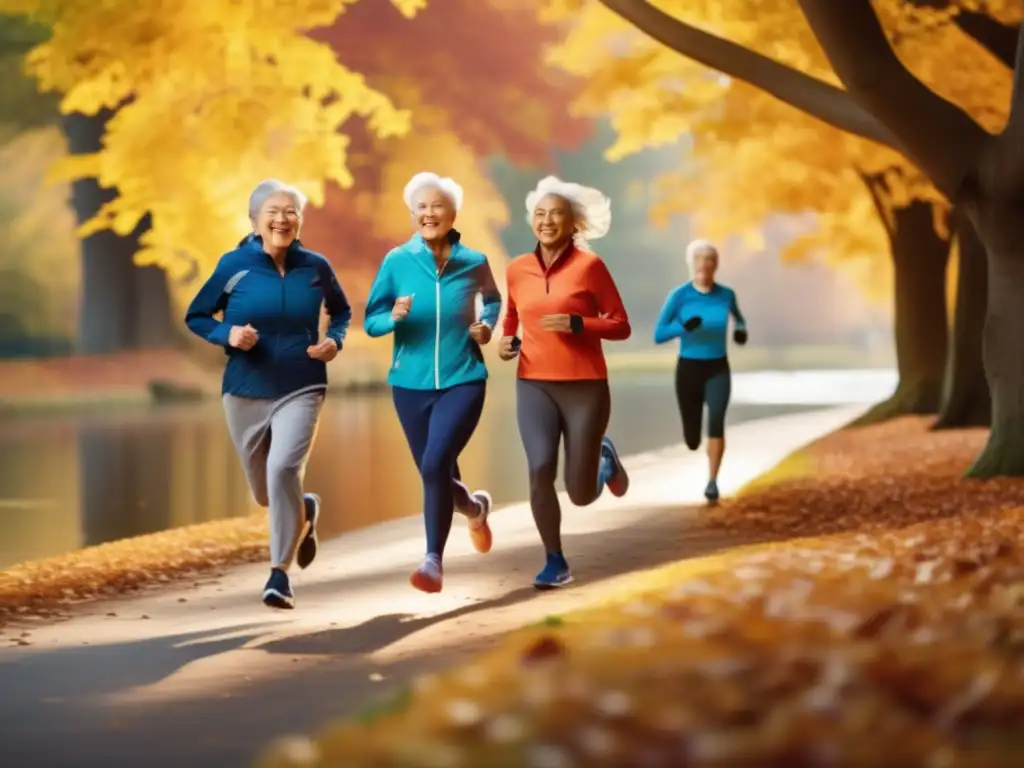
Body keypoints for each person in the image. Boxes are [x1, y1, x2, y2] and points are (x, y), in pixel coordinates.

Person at [185, 179, 351, 610]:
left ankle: (279, 574)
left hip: (302, 382)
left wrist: (334, 340)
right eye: (273, 212)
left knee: (282, 472)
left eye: (290, 211)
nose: (282, 219)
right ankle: (304, 507)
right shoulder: (233, 265)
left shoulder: (316, 266)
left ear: (300, 219)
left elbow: (342, 310)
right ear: (255, 221)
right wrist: (229, 333)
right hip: (245, 388)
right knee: (265, 493)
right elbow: (197, 314)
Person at [364, 171, 502, 594]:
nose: (428, 214)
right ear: (412, 214)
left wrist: (486, 326)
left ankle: (432, 562)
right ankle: (474, 509)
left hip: (464, 378)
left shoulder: (474, 262)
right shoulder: (396, 262)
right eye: (421, 207)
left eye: (436, 206)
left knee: (432, 465)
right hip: (409, 383)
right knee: (436, 471)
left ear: (452, 213)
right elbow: (371, 320)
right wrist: (394, 318)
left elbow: (493, 300)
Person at [498, 175, 631, 590]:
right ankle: (554, 560)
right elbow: (513, 317)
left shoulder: (590, 268)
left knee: (579, 493)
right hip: (533, 384)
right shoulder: (517, 268)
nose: (547, 221)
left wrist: (579, 324)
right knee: (539, 469)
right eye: (540, 214)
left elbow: (621, 326)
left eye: (556, 214)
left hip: (585, 388)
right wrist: (507, 342)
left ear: (574, 223)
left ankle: (603, 459)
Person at [653, 238, 748, 503]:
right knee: (693, 439)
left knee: (716, 420)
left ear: (715, 264)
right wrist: (684, 328)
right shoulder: (679, 295)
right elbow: (659, 334)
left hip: (718, 367)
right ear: (691, 264)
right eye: (699, 258)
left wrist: (740, 331)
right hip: (689, 369)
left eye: (709, 259)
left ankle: (712, 482)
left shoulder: (726, 295)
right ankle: (693, 439)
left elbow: (739, 318)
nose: (704, 264)